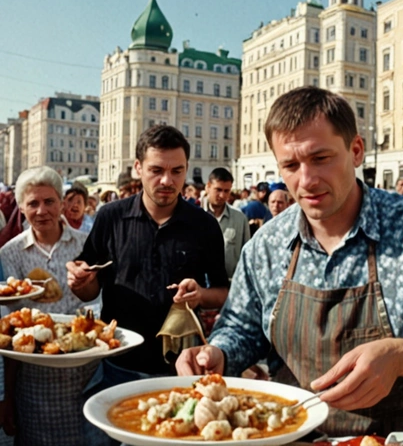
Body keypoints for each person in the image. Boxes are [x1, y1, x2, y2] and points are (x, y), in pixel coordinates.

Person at [176, 86, 403, 436]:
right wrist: (219, 354)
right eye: (290, 165)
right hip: (284, 434)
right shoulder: (267, 245)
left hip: (386, 440)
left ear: (356, 150)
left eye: (321, 158)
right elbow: (241, 328)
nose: (307, 180)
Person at [66, 125, 229, 383]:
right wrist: (79, 281)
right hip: (118, 363)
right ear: (138, 168)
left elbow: (223, 293)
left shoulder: (205, 225)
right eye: (156, 170)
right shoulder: (111, 217)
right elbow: (89, 290)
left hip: (182, 367)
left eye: (177, 171)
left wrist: (200, 295)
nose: (167, 181)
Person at [0, 166, 105, 446]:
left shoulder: (87, 244)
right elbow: (8, 325)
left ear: (61, 202)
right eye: (33, 203)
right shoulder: (10, 253)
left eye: (49, 201)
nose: (42, 210)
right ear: (21, 208)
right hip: (34, 383)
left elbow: (100, 302)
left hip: (85, 375)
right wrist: (7, 396)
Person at [202, 168, 250, 281]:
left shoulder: (240, 219)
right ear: (208, 186)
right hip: (200, 287)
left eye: (226, 191)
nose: (222, 195)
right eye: (218, 190)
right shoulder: (193, 217)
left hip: (230, 286)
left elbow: (247, 255)